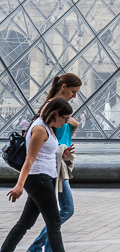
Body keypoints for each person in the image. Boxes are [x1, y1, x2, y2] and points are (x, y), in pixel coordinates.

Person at [1, 98, 75, 252]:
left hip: (42, 178)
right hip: (39, 180)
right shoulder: (40, 129)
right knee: (54, 223)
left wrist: (62, 154)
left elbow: (45, 153)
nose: (66, 122)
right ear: (55, 114)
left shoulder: (47, 126)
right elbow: (29, 159)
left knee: (25, 223)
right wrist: (19, 185)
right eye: (65, 118)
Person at [28, 74, 82, 252]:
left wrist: (72, 127)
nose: (75, 96)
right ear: (64, 86)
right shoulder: (51, 107)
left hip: (58, 162)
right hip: (53, 165)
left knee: (38, 218)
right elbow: (48, 139)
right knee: (66, 209)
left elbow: (59, 136)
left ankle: (45, 248)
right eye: (73, 91)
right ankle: (37, 247)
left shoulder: (60, 108)